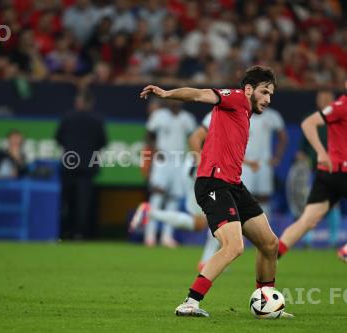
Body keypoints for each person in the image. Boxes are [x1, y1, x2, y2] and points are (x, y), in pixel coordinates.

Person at [139, 65, 293, 318]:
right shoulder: (234, 98)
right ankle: (190, 302)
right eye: (264, 92)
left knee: (269, 243)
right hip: (213, 183)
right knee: (233, 246)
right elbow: (198, 95)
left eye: (271, 95)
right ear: (248, 89)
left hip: (233, 184)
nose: (267, 99)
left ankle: (266, 305)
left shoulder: (245, 113)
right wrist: (167, 95)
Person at [278, 82, 347, 258]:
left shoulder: (339, 107)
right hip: (338, 171)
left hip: (328, 173)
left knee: (307, 220)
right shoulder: (340, 107)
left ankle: (271, 256)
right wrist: (321, 152)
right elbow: (308, 124)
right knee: (310, 218)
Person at [143, 98, 197, 247]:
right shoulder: (159, 115)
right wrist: (154, 150)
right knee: (157, 195)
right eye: (172, 101)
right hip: (163, 158)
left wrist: (193, 154)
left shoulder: (187, 118)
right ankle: (150, 236)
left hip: (179, 160)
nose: (175, 104)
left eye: (177, 101)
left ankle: (167, 236)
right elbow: (148, 135)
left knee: (174, 198)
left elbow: (194, 138)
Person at [56, 90, 107, 239]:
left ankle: (63, 232)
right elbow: (103, 141)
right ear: (90, 103)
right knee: (83, 203)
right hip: (88, 167)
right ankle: (80, 233)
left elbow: (58, 138)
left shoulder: (67, 117)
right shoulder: (97, 119)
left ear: (80, 102)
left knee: (67, 200)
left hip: (69, 165)